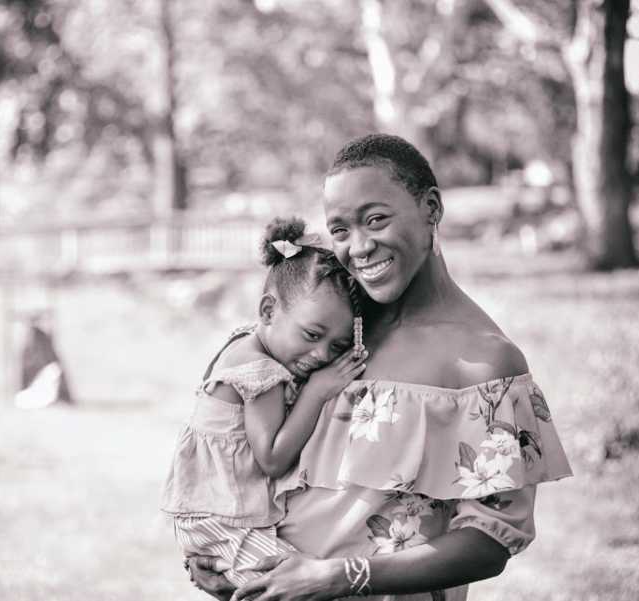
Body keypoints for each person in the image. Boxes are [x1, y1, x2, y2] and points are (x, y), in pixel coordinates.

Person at [187, 134, 572, 601]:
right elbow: (244, 443)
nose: (360, 247)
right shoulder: (333, 334)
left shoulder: (484, 366)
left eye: (376, 220)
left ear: (431, 207)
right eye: (341, 230)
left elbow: (490, 542)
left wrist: (336, 577)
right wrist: (218, 551)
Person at [161, 216, 369, 586]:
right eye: (312, 334)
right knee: (299, 584)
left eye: (336, 346)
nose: (321, 354)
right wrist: (317, 391)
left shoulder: (247, 341)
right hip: (225, 524)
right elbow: (272, 457)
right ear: (268, 311)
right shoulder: (261, 372)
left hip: (212, 516)